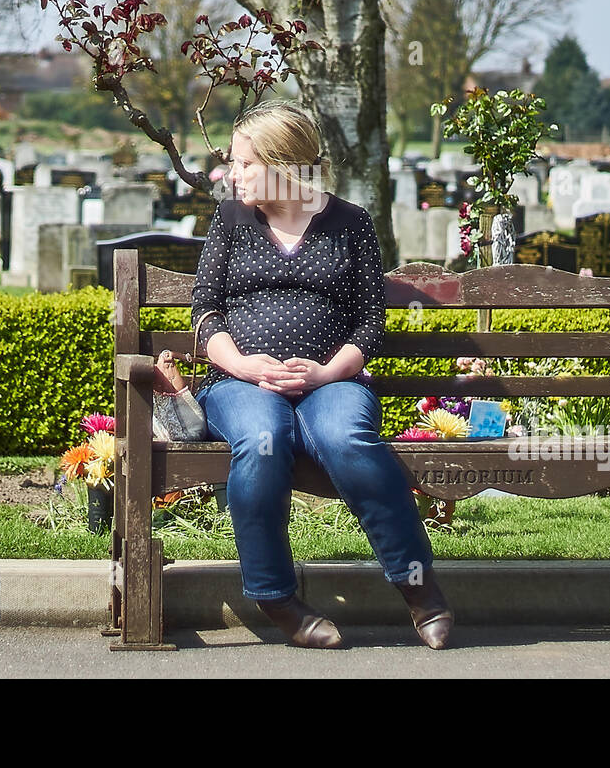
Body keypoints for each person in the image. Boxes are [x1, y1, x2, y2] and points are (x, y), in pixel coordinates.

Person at [190, 100, 453, 649]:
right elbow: (205, 309)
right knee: (261, 441)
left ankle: (418, 585)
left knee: (349, 440)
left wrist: (328, 372)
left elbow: (370, 319)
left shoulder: (349, 222)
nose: (229, 173)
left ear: (283, 164)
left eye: (242, 162)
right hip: (243, 384)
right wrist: (240, 363)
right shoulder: (231, 219)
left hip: (330, 382)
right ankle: (275, 597)